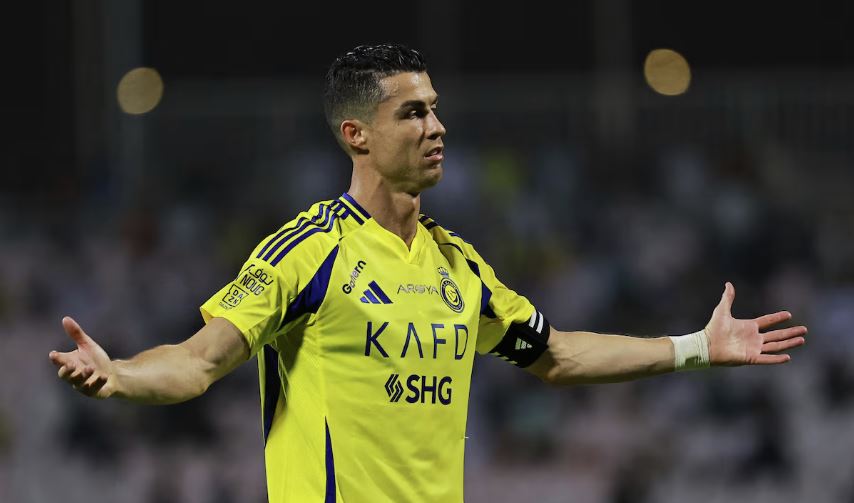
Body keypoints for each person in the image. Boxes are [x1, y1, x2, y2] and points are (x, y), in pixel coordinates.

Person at [49, 44, 807, 502]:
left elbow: (557, 354)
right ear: (357, 134)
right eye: (412, 113)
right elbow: (198, 360)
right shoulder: (306, 251)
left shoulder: (459, 265)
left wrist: (695, 348)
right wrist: (121, 376)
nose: (437, 127)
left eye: (435, 109)